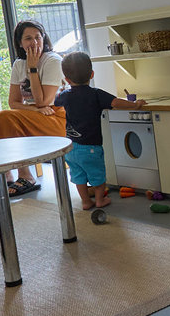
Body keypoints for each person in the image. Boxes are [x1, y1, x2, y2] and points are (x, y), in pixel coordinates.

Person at [0, 20, 66, 197]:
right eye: (28, 38)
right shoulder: (18, 64)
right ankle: (4, 173)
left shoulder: (53, 61)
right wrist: (34, 110)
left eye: (38, 37)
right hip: (34, 114)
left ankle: (26, 176)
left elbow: (44, 102)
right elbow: (13, 102)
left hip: (55, 116)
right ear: (20, 43)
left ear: (44, 38)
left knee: (4, 118)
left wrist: (32, 68)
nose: (34, 43)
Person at [54, 52, 145, 210]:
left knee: (78, 176)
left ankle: (85, 201)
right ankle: (99, 200)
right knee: (97, 174)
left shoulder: (65, 95)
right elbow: (116, 102)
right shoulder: (96, 94)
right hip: (91, 147)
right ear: (92, 74)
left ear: (67, 79)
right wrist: (135, 105)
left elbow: (56, 101)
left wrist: (62, 88)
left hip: (70, 147)